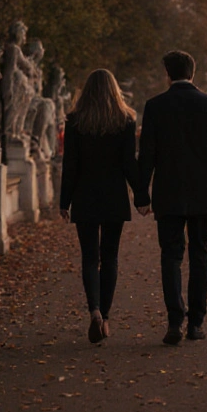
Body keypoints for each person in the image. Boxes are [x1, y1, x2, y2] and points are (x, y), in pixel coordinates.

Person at [136, 50, 207, 345]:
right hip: (202, 195)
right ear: (192, 73)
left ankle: (174, 321)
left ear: (168, 74)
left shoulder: (155, 106)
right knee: (200, 257)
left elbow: (147, 156)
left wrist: (142, 194)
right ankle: (196, 323)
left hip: (168, 194)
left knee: (170, 257)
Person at [59, 69, 142, 344]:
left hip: (84, 196)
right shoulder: (125, 121)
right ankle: (105, 318)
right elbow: (130, 164)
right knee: (110, 258)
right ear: (114, 90)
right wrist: (142, 196)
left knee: (89, 258)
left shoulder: (74, 121)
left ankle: (93, 309)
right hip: (114, 196)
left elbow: (69, 165)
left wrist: (64, 201)